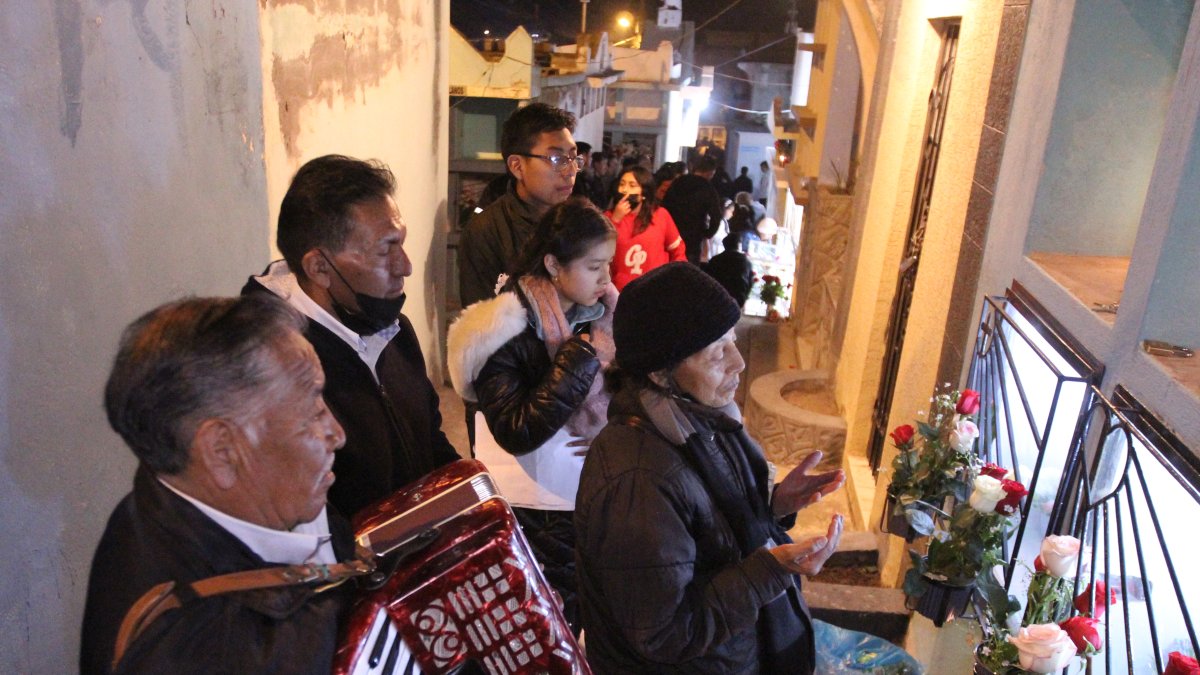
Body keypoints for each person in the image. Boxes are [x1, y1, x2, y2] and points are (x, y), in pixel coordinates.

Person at [575, 262, 846, 674]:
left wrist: (772, 506)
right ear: (660, 371)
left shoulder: (699, 419)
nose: (738, 362)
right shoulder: (637, 477)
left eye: (732, 341)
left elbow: (703, 528)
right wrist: (769, 570)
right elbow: (664, 632)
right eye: (717, 351)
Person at [81, 295, 352, 674]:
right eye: (312, 412)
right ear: (222, 451)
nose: (337, 434)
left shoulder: (166, 495)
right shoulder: (208, 653)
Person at [243, 155, 459, 518]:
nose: (404, 266)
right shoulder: (268, 366)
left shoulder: (395, 331)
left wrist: (469, 495)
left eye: (401, 243)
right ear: (319, 267)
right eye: (384, 249)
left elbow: (430, 441)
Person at [447, 197, 618, 632]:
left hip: (588, 501)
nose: (606, 278)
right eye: (594, 266)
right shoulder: (502, 329)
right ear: (554, 265)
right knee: (537, 630)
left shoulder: (604, 320)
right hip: (533, 513)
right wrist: (579, 358)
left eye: (609, 265)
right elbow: (516, 428)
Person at [459, 103, 581, 307]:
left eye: (573, 157)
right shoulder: (485, 232)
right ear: (517, 166)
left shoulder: (579, 223)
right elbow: (479, 321)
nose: (570, 170)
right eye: (557, 158)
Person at [607, 165, 687, 291]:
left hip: (656, 290)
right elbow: (599, 249)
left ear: (644, 192)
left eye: (632, 186)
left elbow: (678, 251)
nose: (625, 190)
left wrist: (676, 280)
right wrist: (615, 220)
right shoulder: (608, 217)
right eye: (622, 184)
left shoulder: (660, 215)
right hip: (619, 292)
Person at [661, 154, 724, 263]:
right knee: (690, 270)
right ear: (710, 172)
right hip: (694, 235)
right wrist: (708, 233)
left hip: (673, 231)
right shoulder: (707, 187)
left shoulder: (679, 182)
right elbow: (716, 215)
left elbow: (665, 205)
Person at [702, 231, 755, 308]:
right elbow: (750, 283)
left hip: (718, 299)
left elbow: (708, 280)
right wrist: (744, 298)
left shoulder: (715, 260)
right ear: (739, 245)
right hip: (738, 300)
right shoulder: (746, 262)